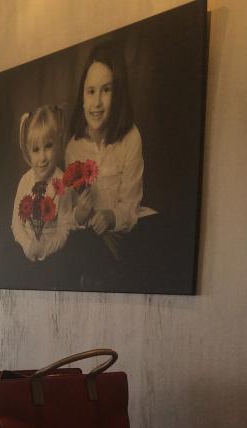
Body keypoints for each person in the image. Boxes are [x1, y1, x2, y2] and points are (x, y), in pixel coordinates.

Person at [64, 40, 156, 285]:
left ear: (118, 94)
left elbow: (131, 206)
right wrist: (81, 214)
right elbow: (68, 216)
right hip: (92, 243)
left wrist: (111, 216)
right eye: (90, 91)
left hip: (128, 236)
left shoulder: (131, 137)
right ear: (82, 97)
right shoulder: (73, 148)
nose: (96, 103)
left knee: (154, 232)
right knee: (83, 248)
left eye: (106, 90)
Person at [10, 104, 72, 262]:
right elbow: (16, 223)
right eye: (36, 150)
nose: (42, 157)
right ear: (28, 152)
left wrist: (45, 249)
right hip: (26, 251)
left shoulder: (62, 184)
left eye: (48, 146)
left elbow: (64, 229)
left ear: (57, 144)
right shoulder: (25, 181)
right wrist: (28, 246)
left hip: (53, 254)